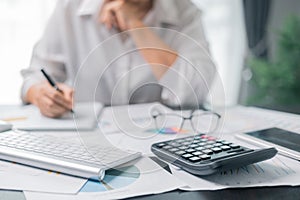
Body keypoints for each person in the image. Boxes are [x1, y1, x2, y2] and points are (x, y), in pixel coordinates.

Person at [21, 0, 215, 118]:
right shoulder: (70, 6)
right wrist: (40, 94)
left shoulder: (184, 12)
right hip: (88, 140)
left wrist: (135, 25)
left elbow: (194, 91)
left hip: (159, 143)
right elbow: (35, 76)